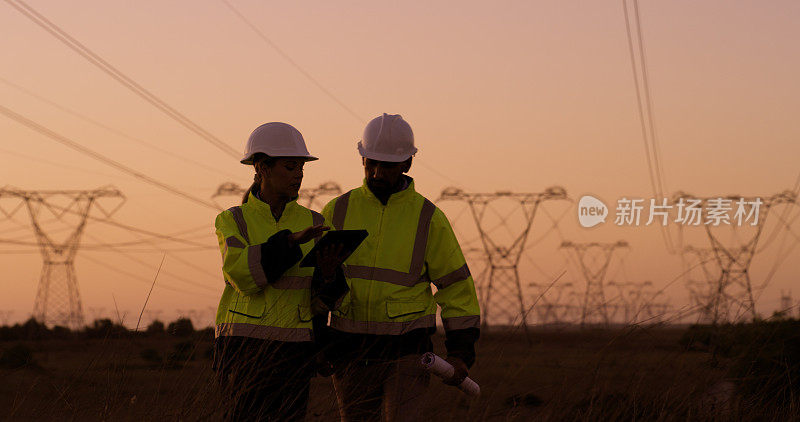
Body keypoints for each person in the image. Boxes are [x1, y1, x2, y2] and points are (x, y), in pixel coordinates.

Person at [321, 114, 481, 422]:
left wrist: (460, 353)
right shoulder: (336, 210)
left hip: (408, 355)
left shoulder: (428, 217)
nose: (378, 173)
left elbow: (457, 288)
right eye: (371, 164)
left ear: (407, 164)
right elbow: (317, 280)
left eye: (388, 165)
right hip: (350, 354)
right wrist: (318, 341)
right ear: (363, 158)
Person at [213, 122, 348, 421]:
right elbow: (243, 276)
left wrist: (328, 277)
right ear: (262, 167)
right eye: (290, 167)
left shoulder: (315, 221)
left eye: (301, 167)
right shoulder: (232, 220)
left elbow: (325, 302)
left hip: (294, 355)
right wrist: (288, 244)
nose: (298, 174)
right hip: (241, 352)